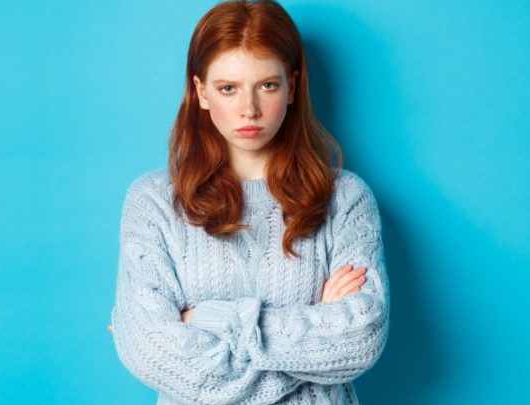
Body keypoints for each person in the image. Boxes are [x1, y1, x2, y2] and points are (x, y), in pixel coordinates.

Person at [110, 1, 389, 403]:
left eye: (267, 85)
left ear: (292, 87)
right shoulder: (153, 202)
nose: (249, 109)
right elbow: (152, 352)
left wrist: (207, 318)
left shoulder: (345, 198)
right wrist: (313, 340)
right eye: (228, 88)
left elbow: (360, 339)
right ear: (201, 92)